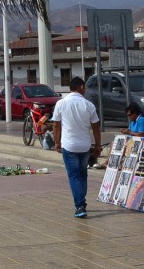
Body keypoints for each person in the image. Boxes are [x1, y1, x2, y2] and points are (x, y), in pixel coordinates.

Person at [51, 76, 102, 219]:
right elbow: (96, 127)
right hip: (85, 146)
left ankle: (79, 206)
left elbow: (56, 124)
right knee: (82, 174)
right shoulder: (89, 105)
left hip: (69, 146)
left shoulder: (61, 104)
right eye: (84, 87)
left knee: (74, 176)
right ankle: (82, 203)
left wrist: (57, 142)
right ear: (81, 87)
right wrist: (98, 145)